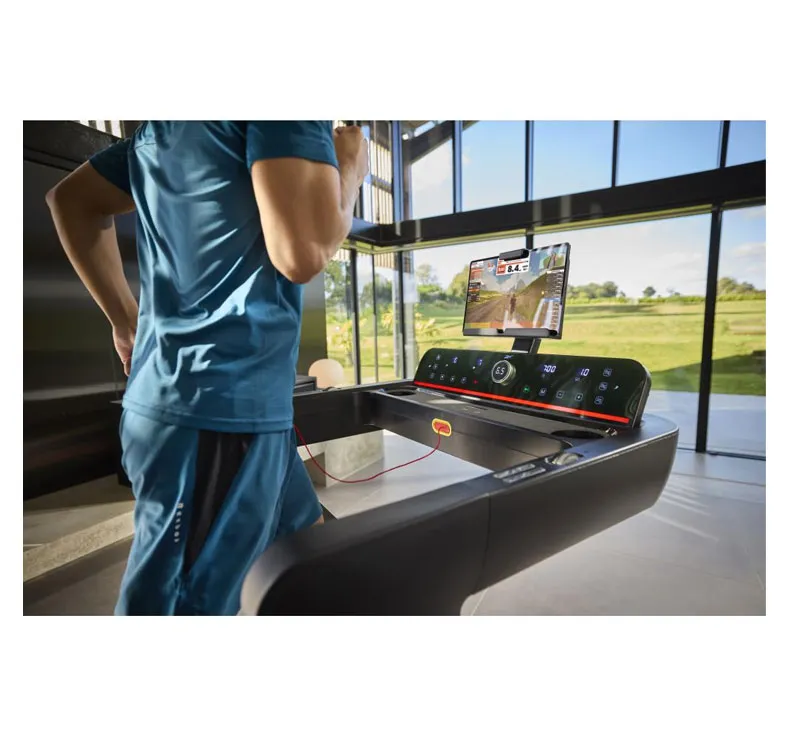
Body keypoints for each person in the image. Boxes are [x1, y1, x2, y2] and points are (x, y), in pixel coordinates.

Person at [46, 121, 370, 615]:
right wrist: (350, 167)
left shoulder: (165, 126)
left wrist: (125, 322)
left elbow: (72, 200)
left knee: (305, 553)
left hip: (225, 411)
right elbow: (302, 254)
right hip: (217, 416)